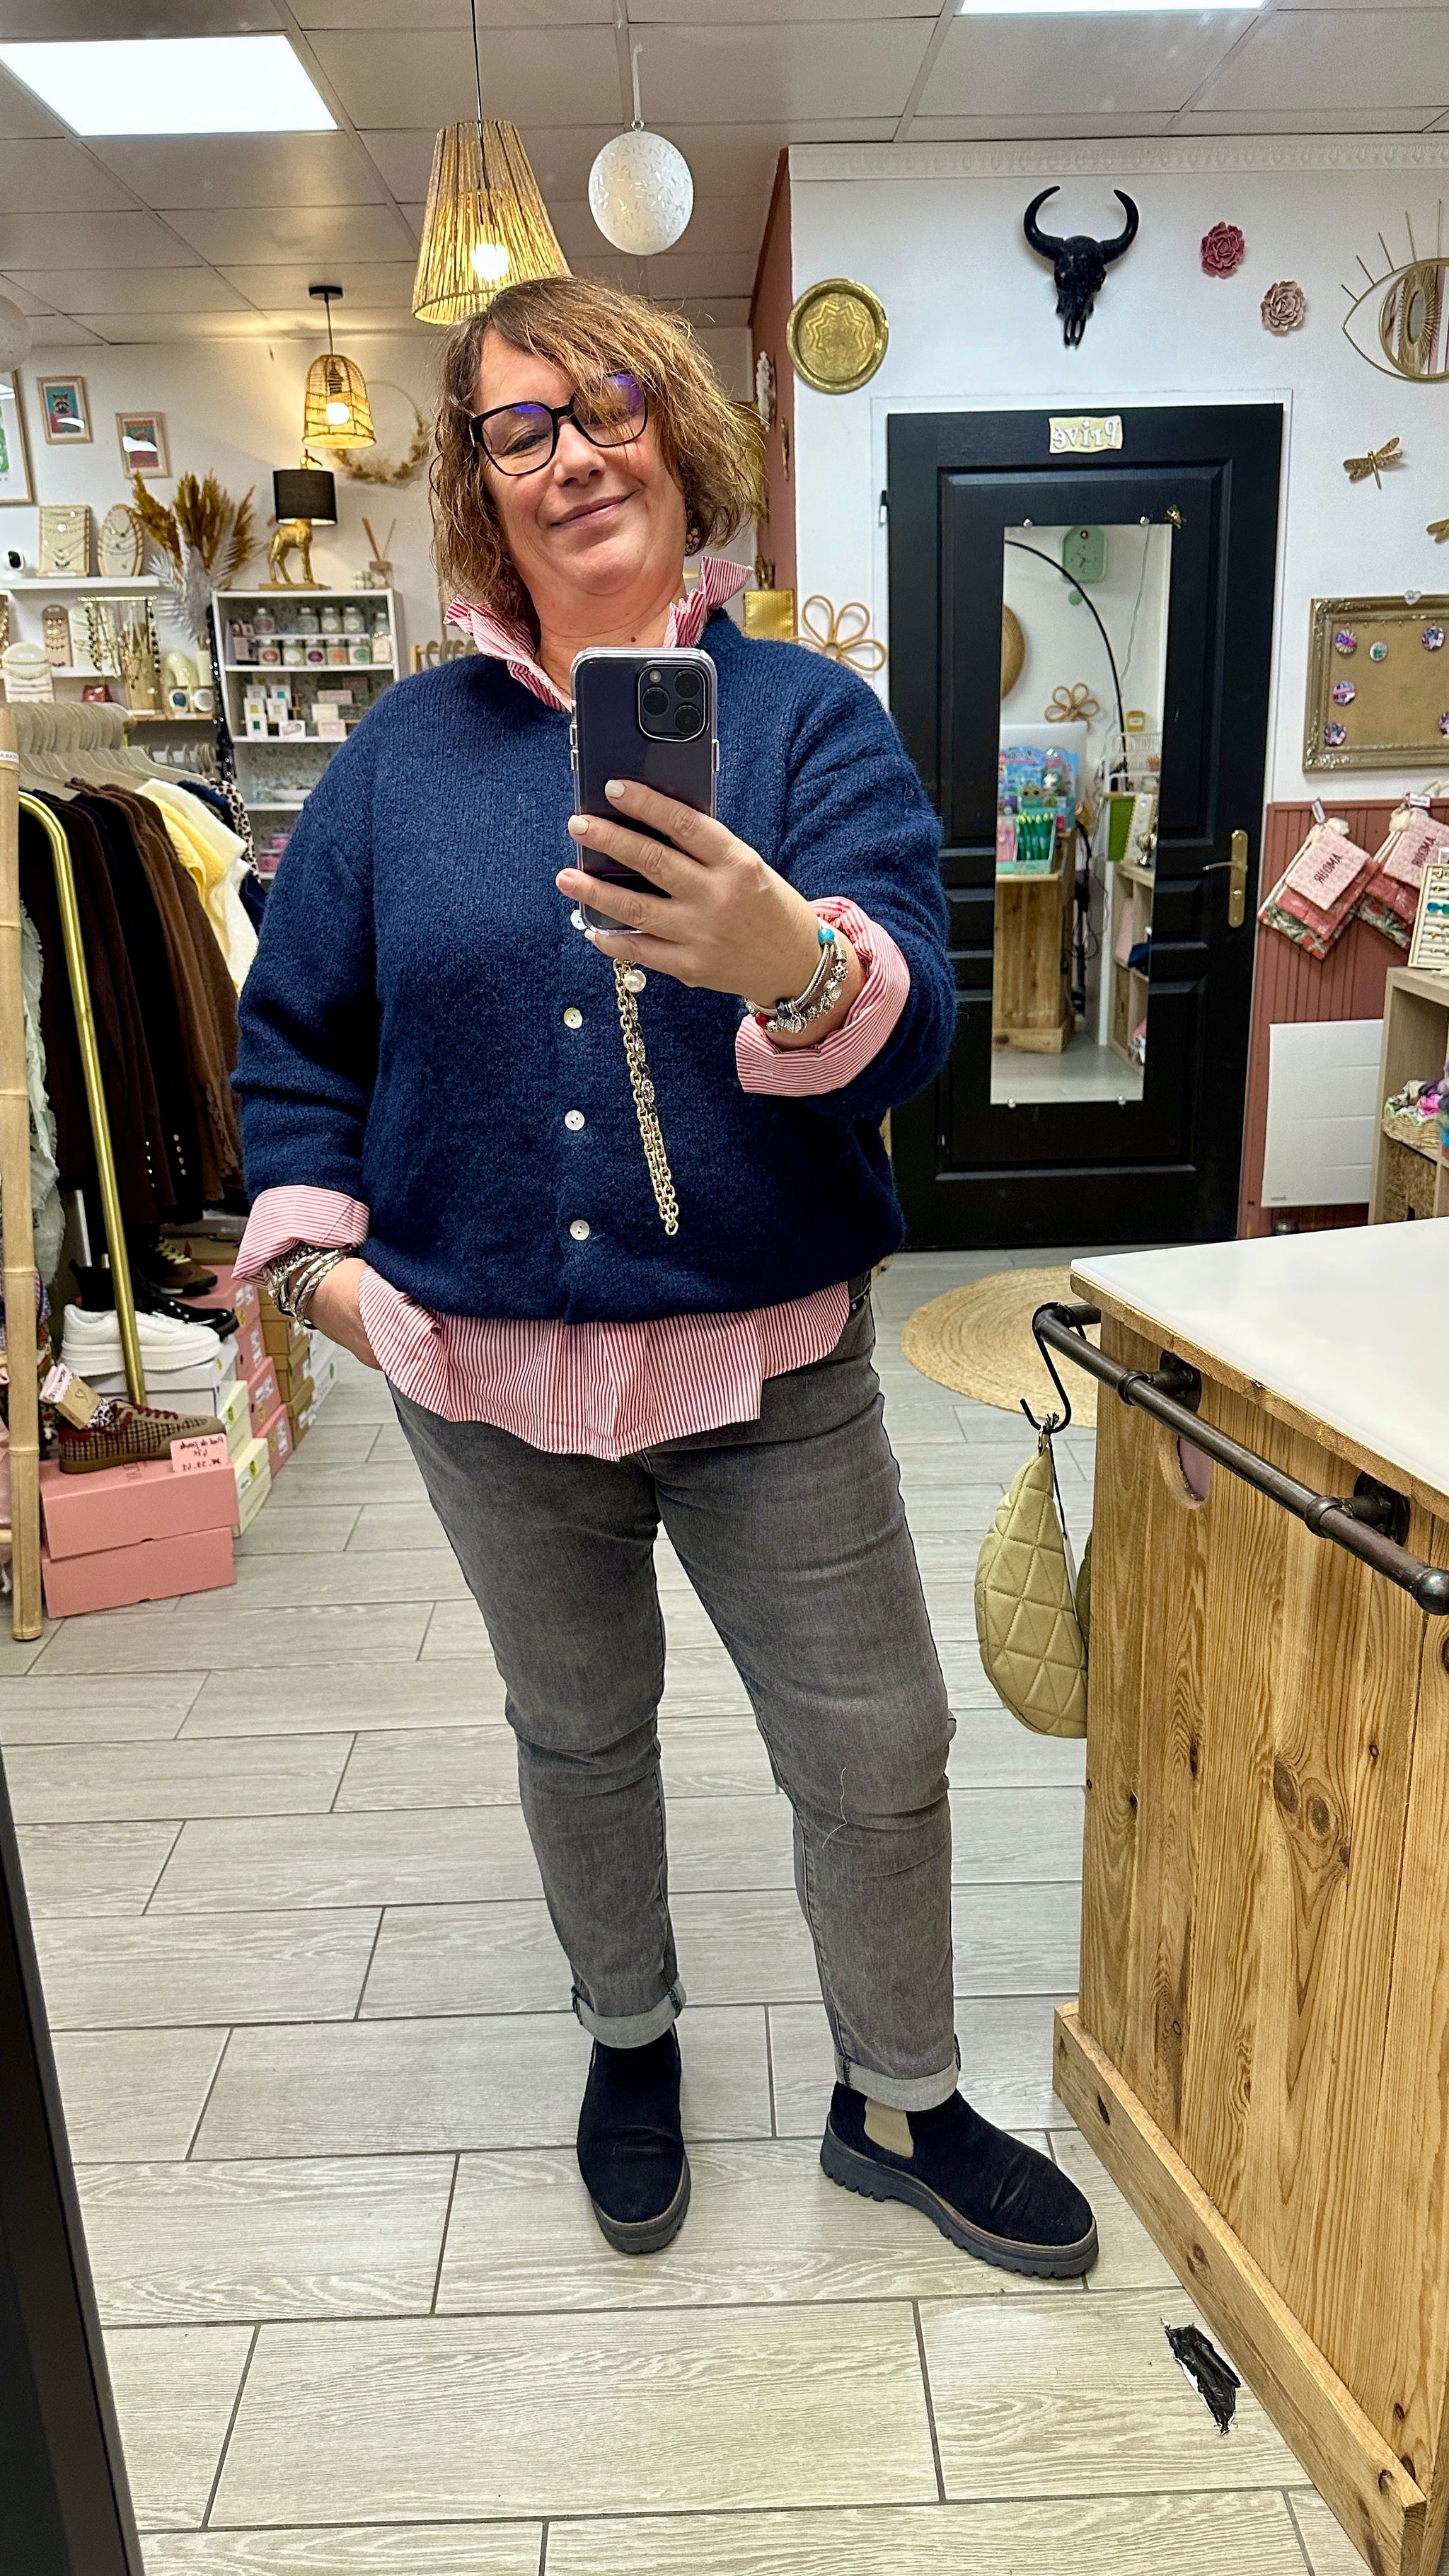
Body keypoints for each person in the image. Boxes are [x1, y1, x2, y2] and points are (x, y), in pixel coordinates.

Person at [233, 275, 1095, 2277]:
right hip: (482, 1382)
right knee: (578, 1729)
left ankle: (901, 2095)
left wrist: (791, 962)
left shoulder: (805, 724)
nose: (572, 455)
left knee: (877, 1742)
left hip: (770, 1369)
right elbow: (297, 1039)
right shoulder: (400, 757)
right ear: (479, 486)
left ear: (680, 433)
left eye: (608, 403)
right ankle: (629, 2040)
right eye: (517, 428)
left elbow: (914, 1023)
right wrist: (329, 1280)